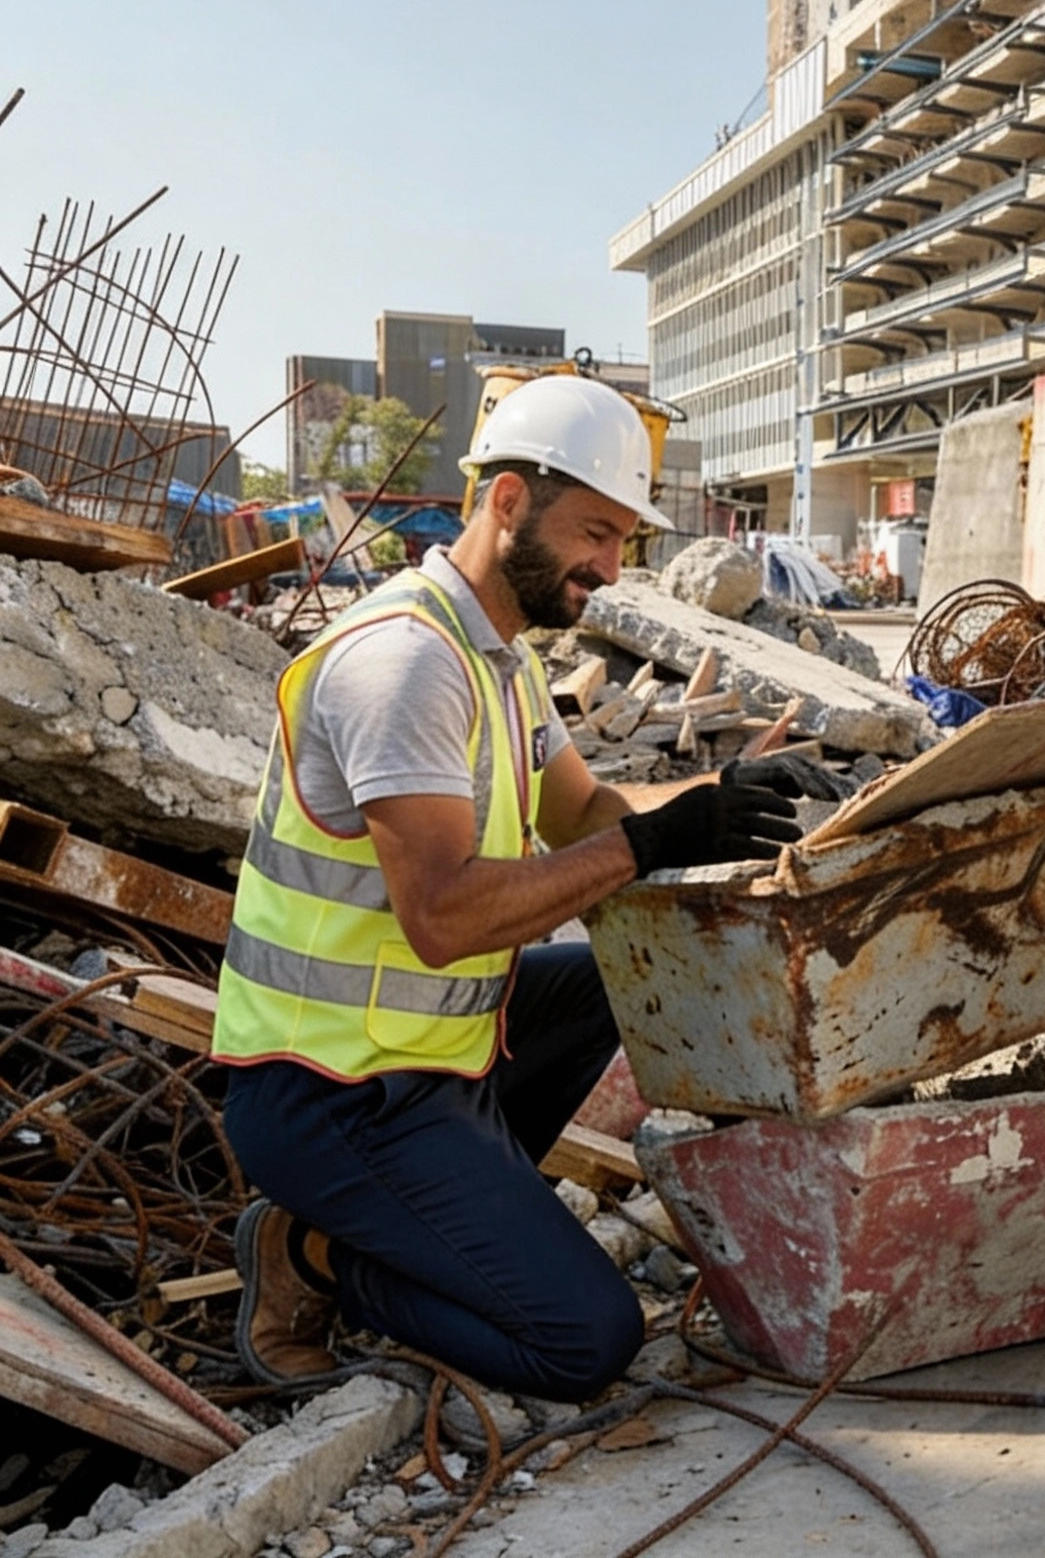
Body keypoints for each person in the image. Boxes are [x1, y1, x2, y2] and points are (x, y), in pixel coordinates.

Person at [214, 374, 828, 1400]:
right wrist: (650, 845)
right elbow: (447, 917)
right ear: (506, 501)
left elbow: (582, 816)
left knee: (605, 984)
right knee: (583, 1344)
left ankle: (455, 1207)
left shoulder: (494, 660)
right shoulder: (406, 663)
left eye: (623, 541)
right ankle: (312, 1255)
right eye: (594, 531)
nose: (608, 567)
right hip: (327, 1092)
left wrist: (716, 795)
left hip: (415, 1058)